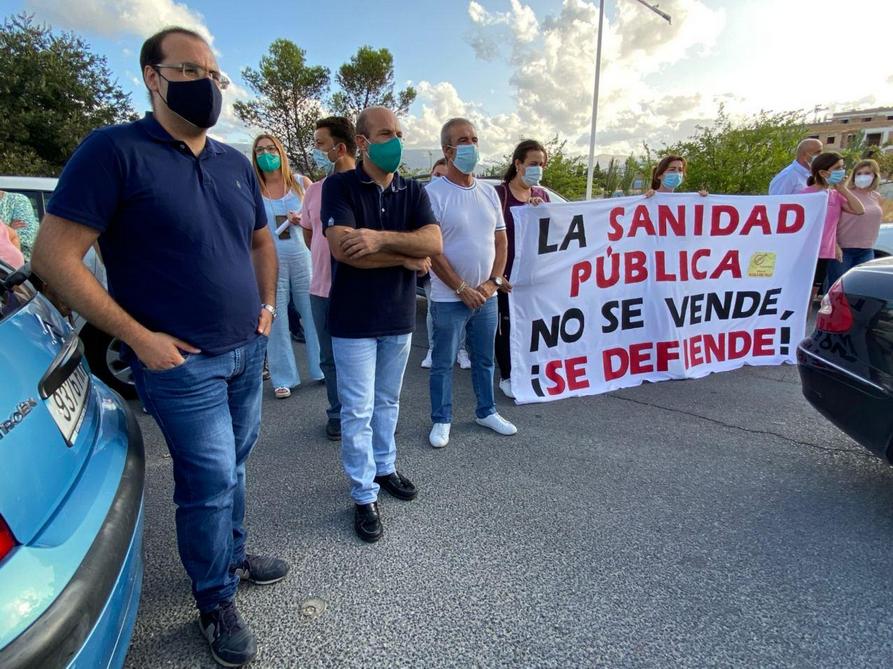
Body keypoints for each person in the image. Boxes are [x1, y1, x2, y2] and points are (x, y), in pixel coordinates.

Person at [31, 27, 287, 668]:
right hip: (182, 366)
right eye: (191, 70)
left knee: (235, 466)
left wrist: (265, 307)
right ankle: (214, 597)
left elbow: (260, 241)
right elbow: (55, 257)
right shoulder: (114, 153)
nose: (208, 85)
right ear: (152, 76)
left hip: (244, 352)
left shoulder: (232, 163)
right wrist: (136, 336)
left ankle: (229, 555)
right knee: (207, 480)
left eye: (215, 74)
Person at [321, 105, 442, 543]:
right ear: (363, 141)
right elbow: (343, 250)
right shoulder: (340, 187)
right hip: (354, 320)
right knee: (357, 410)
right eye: (385, 133)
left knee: (387, 402)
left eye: (399, 132)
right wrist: (408, 257)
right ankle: (363, 492)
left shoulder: (413, 191)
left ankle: (385, 466)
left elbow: (434, 241)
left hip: (398, 317)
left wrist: (379, 239)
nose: (396, 140)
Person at [426, 118, 517, 449]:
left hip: (487, 296)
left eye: (475, 139)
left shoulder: (489, 193)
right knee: (443, 361)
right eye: (463, 140)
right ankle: (442, 419)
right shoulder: (432, 194)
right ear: (447, 150)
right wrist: (461, 287)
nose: (471, 146)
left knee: (483, 358)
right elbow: (432, 251)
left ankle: (486, 411)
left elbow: (501, 242)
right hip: (449, 298)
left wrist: (492, 283)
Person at [300, 116, 357, 440]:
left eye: (320, 144)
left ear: (340, 147)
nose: (316, 150)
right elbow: (311, 235)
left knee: (365, 358)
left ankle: (366, 414)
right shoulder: (315, 191)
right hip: (322, 288)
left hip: (360, 290)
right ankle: (338, 414)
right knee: (329, 358)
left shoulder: (366, 185)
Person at [253, 133, 322, 399]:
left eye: (271, 149)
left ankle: (322, 368)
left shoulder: (302, 184)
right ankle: (283, 378)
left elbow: (320, 216)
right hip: (271, 262)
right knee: (277, 318)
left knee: (313, 313)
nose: (266, 154)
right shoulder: (254, 189)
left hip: (303, 257)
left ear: (281, 152)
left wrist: (303, 218)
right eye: (260, 151)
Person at [493, 140, 551, 399]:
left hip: (534, 278)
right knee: (505, 326)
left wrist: (544, 212)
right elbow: (488, 237)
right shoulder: (499, 195)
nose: (537, 169)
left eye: (541, 164)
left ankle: (529, 370)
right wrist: (496, 274)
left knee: (531, 325)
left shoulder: (543, 196)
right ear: (518, 164)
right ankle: (507, 374)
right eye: (533, 164)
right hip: (505, 277)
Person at [421, 157, 470, 371]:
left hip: (462, 268)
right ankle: (433, 349)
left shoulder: (459, 199)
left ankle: (461, 350)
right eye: (436, 175)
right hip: (435, 268)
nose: (439, 179)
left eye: (443, 175)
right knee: (434, 311)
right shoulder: (423, 199)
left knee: (463, 312)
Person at [800, 152, 864, 296]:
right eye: (837, 168)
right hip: (806, 253)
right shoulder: (803, 195)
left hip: (824, 253)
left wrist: (842, 189)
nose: (842, 171)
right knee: (800, 294)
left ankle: (807, 318)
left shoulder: (836, 195)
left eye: (842, 167)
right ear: (823, 172)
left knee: (812, 295)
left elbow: (859, 210)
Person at [826, 158, 884, 286]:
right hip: (844, 249)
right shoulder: (841, 194)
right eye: (859, 173)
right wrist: (834, 245)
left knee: (860, 287)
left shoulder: (876, 196)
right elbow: (830, 222)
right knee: (837, 287)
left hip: (867, 250)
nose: (863, 176)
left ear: (875, 176)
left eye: (867, 173)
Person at [0, 190, 39, 261]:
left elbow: (27, 239)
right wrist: (9, 228)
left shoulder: (18, 200)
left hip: (14, 268)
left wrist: (4, 229)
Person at [644, 155, 709, 197]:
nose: (677, 173)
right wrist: (645, 199)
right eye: (672, 169)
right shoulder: (649, 198)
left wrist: (704, 201)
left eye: (680, 170)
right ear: (659, 175)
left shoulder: (683, 201)